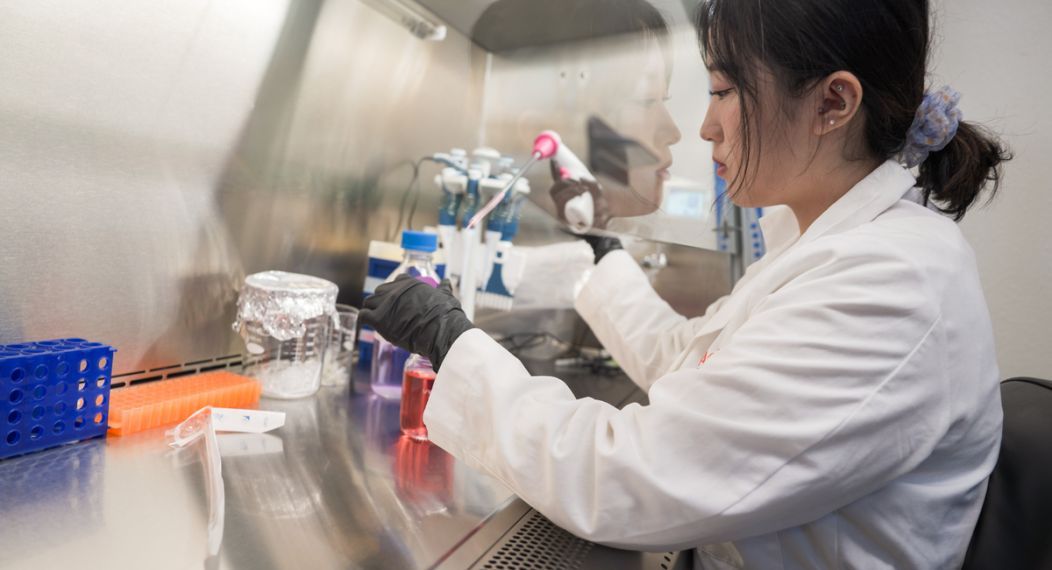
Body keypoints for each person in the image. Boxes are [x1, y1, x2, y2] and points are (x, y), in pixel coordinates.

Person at [361, 0, 1012, 567]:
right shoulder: (830, 243)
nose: (703, 127)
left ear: (832, 103)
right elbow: (691, 358)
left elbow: (630, 478)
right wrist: (600, 239)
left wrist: (451, 341)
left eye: (724, 91)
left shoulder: (895, 284)